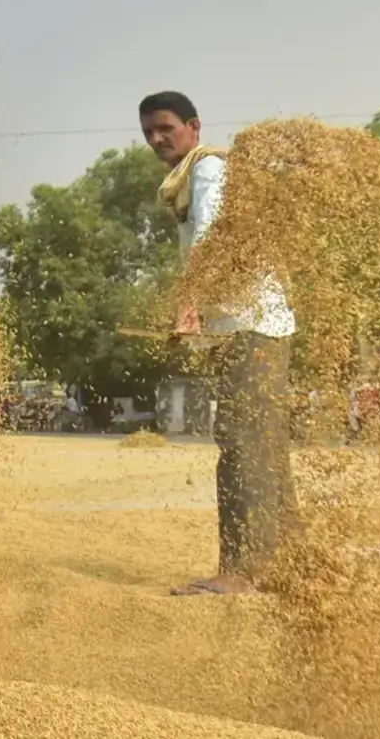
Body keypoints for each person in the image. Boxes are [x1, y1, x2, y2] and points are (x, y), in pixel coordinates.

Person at [139, 90, 298, 597]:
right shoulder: (191, 178)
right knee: (264, 448)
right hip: (249, 326)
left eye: (165, 128)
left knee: (242, 444)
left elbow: (209, 237)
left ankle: (242, 570)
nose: (157, 139)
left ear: (194, 126)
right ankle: (290, 561)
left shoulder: (207, 169)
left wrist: (190, 305)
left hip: (252, 326)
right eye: (148, 132)